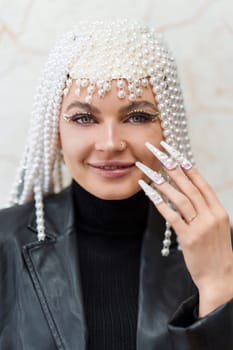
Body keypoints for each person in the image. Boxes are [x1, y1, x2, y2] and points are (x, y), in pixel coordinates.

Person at [0, 19, 232, 350]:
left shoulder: (219, 248)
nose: (110, 143)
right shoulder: (4, 242)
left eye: (137, 117)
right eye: (83, 118)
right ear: (54, 131)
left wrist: (217, 286)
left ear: (167, 127)